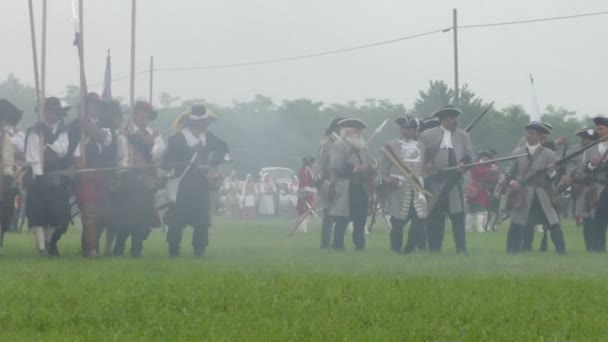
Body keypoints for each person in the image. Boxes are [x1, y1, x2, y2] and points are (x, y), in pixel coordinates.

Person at [163, 105, 229, 257]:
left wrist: (213, 163)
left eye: (205, 121)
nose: (204, 124)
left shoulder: (210, 138)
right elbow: (167, 162)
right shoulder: (177, 138)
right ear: (192, 123)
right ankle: (174, 249)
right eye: (201, 121)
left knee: (202, 217)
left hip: (201, 182)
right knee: (177, 218)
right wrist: (184, 160)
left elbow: (223, 148)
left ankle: (199, 249)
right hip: (183, 183)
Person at [113, 101, 165, 257]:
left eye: (147, 116)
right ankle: (119, 247)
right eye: (142, 114)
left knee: (143, 217)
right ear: (134, 114)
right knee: (127, 216)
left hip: (148, 179)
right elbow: (121, 157)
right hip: (129, 177)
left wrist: (145, 143)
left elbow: (158, 155)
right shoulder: (123, 133)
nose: (145, 118)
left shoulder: (155, 135)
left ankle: (137, 250)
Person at [419, 105, 474, 254]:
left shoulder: (463, 136)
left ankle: (461, 249)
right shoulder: (427, 135)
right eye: (450, 118)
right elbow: (421, 159)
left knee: (458, 217)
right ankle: (435, 249)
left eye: (455, 117)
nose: (454, 120)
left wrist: (464, 164)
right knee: (435, 218)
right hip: (435, 183)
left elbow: (469, 157)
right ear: (442, 119)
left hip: (454, 182)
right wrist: (428, 170)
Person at [504, 122, 566, 254]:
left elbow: (552, 178)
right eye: (527, 133)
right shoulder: (517, 152)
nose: (528, 136)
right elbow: (508, 172)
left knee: (553, 222)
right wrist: (512, 182)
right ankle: (511, 251)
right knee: (516, 222)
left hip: (541, 192)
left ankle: (561, 251)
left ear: (540, 136)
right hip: (523, 193)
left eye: (532, 134)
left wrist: (551, 171)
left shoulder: (549, 153)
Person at [24, 97, 71, 256]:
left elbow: (62, 150)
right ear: (45, 112)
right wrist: (39, 177)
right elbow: (33, 156)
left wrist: (48, 144)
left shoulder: (62, 129)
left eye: (57, 111)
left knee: (56, 214)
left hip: (55, 177)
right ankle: (42, 248)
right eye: (52, 111)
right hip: (39, 177)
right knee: (38, 214)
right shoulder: (34, 130)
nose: (56, 114)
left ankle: (49, 242)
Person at [70, 93, 114, 257]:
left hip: (103, 175)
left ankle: (88, 243)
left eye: (97, 105)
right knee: (89, 212)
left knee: (105, 214)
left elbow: (105, 139)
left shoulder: (106, 125)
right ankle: (91, 249)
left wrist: (87, 127)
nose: (94, 107)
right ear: (85, 106)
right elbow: (73, 152)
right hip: (84, 174)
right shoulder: (75, 126)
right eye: (91, 104)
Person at [378, 116, 427, 254]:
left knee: (419, 220)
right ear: (401, 129)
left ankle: (410, 248)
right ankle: (395, 249)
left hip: (417, 188)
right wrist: (387, 179)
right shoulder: (390, 146)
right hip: (398, 189)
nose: (407, 132)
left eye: (411, 129)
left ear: (415, 131)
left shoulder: (422, 147)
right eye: (405, 128)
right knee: (397, 222)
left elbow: (423, 170)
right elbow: (382, 171)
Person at [329, 118, 374, 250]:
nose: (358, 132)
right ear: (347, 131)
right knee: (342, 219)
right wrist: (355, 169)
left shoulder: (362, 147)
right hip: (345, 187)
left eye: (359, 130)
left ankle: (359, 246)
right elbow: (336, 166)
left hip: (360, 186)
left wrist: (370, 168)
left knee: (360, 220)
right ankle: (338, 246)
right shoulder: (338, 145)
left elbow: (366, 164)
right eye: (355, 130)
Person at [578, 117, 608, 252]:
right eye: (597, 128)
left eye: (601, 128)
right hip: (597, 189)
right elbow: (582, 172)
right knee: (596, 221)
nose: (599, 131)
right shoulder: (590, 149)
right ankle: (597, 250)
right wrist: (591, 165)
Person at [315, 117, 344, 248]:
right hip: (330, 181)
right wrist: (321, 180)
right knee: (329, 214)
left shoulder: (344, 142)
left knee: (340, 215)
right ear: (335, 127)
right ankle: (325, 244)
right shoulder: (327, 142)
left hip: (342, 182)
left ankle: (337, 243)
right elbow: (321, 162)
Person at [0, 99, 20, 247]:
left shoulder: (5, 137)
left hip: (3, 178)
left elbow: (8, 158)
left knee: (5, 211)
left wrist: (9, 174)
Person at [465, 151, 499, 233]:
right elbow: (480, 172)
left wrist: (492, 172)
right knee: (477, 209)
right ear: (482, 157)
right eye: (485, 156)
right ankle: (476, 228)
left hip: (480, 188)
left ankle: (469, 228)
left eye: (487, 157)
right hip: (476, 188)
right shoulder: (477, 164)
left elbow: (489, 176)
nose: (486, 158)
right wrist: (491, 170)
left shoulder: (483, 165)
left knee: (474, 210)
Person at [296, 156, 316, 233]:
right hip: (306, 193)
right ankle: (302, 228)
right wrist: (303, 193)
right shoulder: (304, 171)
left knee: (306, 212)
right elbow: (302, 183)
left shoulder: (308, 171)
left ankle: (301, 228)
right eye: (313, 163)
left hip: (309, 193)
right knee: (304, 211)